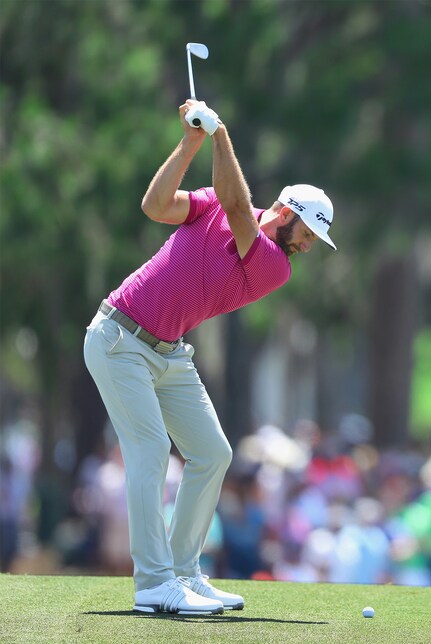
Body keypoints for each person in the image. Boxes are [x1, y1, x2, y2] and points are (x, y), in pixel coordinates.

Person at [83, 99, 336, 616]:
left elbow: (240, 209)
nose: (307, 248)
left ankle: (183, 571)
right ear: (286, 214)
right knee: (152, 452)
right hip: (119, 338)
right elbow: (156, 206)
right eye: (307, 235)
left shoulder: (273, 266)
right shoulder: (211, 204)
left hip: (169, 354)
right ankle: (154, 584)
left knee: (213, 453)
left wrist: (220, 133)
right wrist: (192, 140)